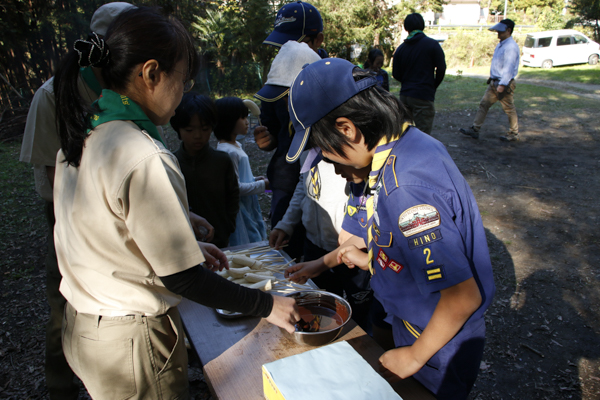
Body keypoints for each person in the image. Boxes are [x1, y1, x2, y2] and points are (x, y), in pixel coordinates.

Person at [52, 7, 299, 399]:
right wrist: (267, 304)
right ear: (151, 74)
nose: (184, 91)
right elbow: (183, 278)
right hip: (130, 341)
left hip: (85, 326)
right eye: (182, 81)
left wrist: (185, 242)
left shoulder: (87, 131)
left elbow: (105, 225)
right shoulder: (144, 154)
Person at [285, 58, 496, 399]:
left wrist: (414, 355)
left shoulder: (407, 187)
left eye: (322, 147)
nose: (325, 158)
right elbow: (361, 236)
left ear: (346, 128)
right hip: (408, 319)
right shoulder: (384, 154)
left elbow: (462, 297)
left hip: (436, 339)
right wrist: (329, 261)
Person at [18, 3, 136, 398]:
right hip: (68, 216)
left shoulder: (128, 85)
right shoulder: (53, 96)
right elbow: (58, 180)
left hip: (120, 210)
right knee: (66, 304)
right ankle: (61, 388)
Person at [253, 1, 327, 260]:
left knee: (321, 244)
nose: (287, 49)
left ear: (317, 39)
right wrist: (267, 139)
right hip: (287, 172)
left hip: (325, 175)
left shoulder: (330, 79)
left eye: (296, 42)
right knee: (288, 247)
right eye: (281, 44)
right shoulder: (280, 73)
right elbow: (272, 129)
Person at [282, 162, 375, 331]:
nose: (337, 170)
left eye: (338, 164)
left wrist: (367, 256)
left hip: (355, 252)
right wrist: (286, 224)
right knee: (322, 310)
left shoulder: (370, 176)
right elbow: (303, 186)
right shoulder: (307, 150)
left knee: (363, 312)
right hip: (318, 245)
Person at [171, 93, 239, 248]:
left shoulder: (222, 161)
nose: (197, 136)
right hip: (185, 243)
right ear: (178, 129)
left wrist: (227, 227)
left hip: (219, 240)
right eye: (189, 129)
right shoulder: (171, 163)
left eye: (204, 129)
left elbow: (233, 196)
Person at [215, 97, 268, 246]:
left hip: (248, 204)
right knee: (248, 239)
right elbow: (235, 187)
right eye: (242, 118)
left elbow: (240, 176)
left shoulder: (235, 145)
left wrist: (256, 179)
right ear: (228, 120)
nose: (246, 121)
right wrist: (264, 185)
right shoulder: (228, 152)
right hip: (240, 208)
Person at [460, 19, 520, 142]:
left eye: (501, 31)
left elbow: (509, 67)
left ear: (508, 31)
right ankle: (475, 129)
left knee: (509, 108)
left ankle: (514, 133)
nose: (498, 33)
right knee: (484, 104)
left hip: (503, 83)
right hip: (494, 82)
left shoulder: (511, 47)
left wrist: (502, 84)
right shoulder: (501, 44)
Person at [392, 13, 446, 135]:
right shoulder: (432, 45)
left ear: (406, 28)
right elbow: (441, 68)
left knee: (405, 133)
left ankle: (405, 153)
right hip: (423, 95)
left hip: (405, 95)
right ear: (422, 26)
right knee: (423, 135)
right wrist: (432, 85)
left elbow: (396, 73)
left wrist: (407, 82)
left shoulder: (401, 49)